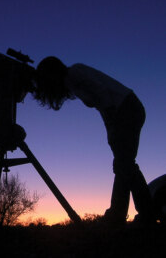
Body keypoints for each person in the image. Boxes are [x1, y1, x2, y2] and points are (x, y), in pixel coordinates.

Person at [34, 56, 155, 225]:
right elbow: (102, 102)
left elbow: (103, 96)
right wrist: (111, 131)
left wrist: (112, 128)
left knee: (124, 164)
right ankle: (128, 214)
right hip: (128, 108)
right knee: (124, 164)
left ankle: (129, 214)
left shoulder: (74, 74)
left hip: (126, 110)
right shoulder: (73, 78)